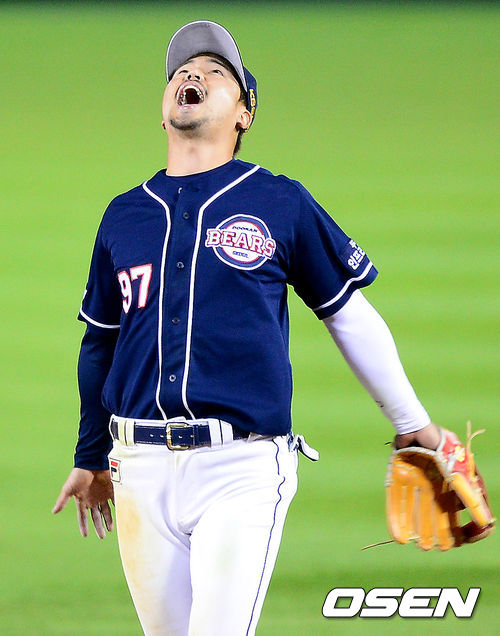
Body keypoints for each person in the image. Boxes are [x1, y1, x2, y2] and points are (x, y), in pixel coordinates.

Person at [53, 20, 442, 636]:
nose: (193, 74)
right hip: (137, 469)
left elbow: (346, 312)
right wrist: (89, 454)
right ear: (163, 111)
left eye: (216, 73)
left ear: (244, 113)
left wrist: (411, 421)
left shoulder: (278, 201)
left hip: (240, 468)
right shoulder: (123, 215)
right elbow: (100, 340)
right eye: (182, 71)